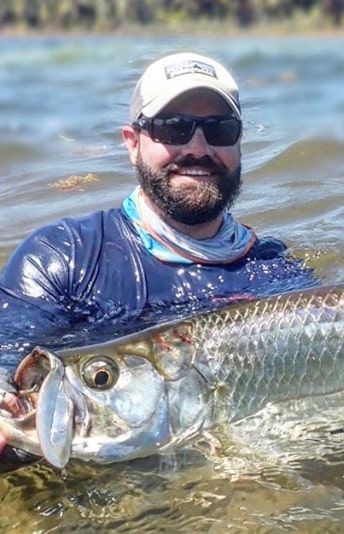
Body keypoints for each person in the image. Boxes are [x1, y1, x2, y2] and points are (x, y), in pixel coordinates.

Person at [0, 51, 317, 471]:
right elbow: (10, 370)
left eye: (220, 129)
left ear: (238, 143)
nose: (198, 148)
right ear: (132, 143)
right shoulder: (64, 258)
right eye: (174, 128)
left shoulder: (277, 275)